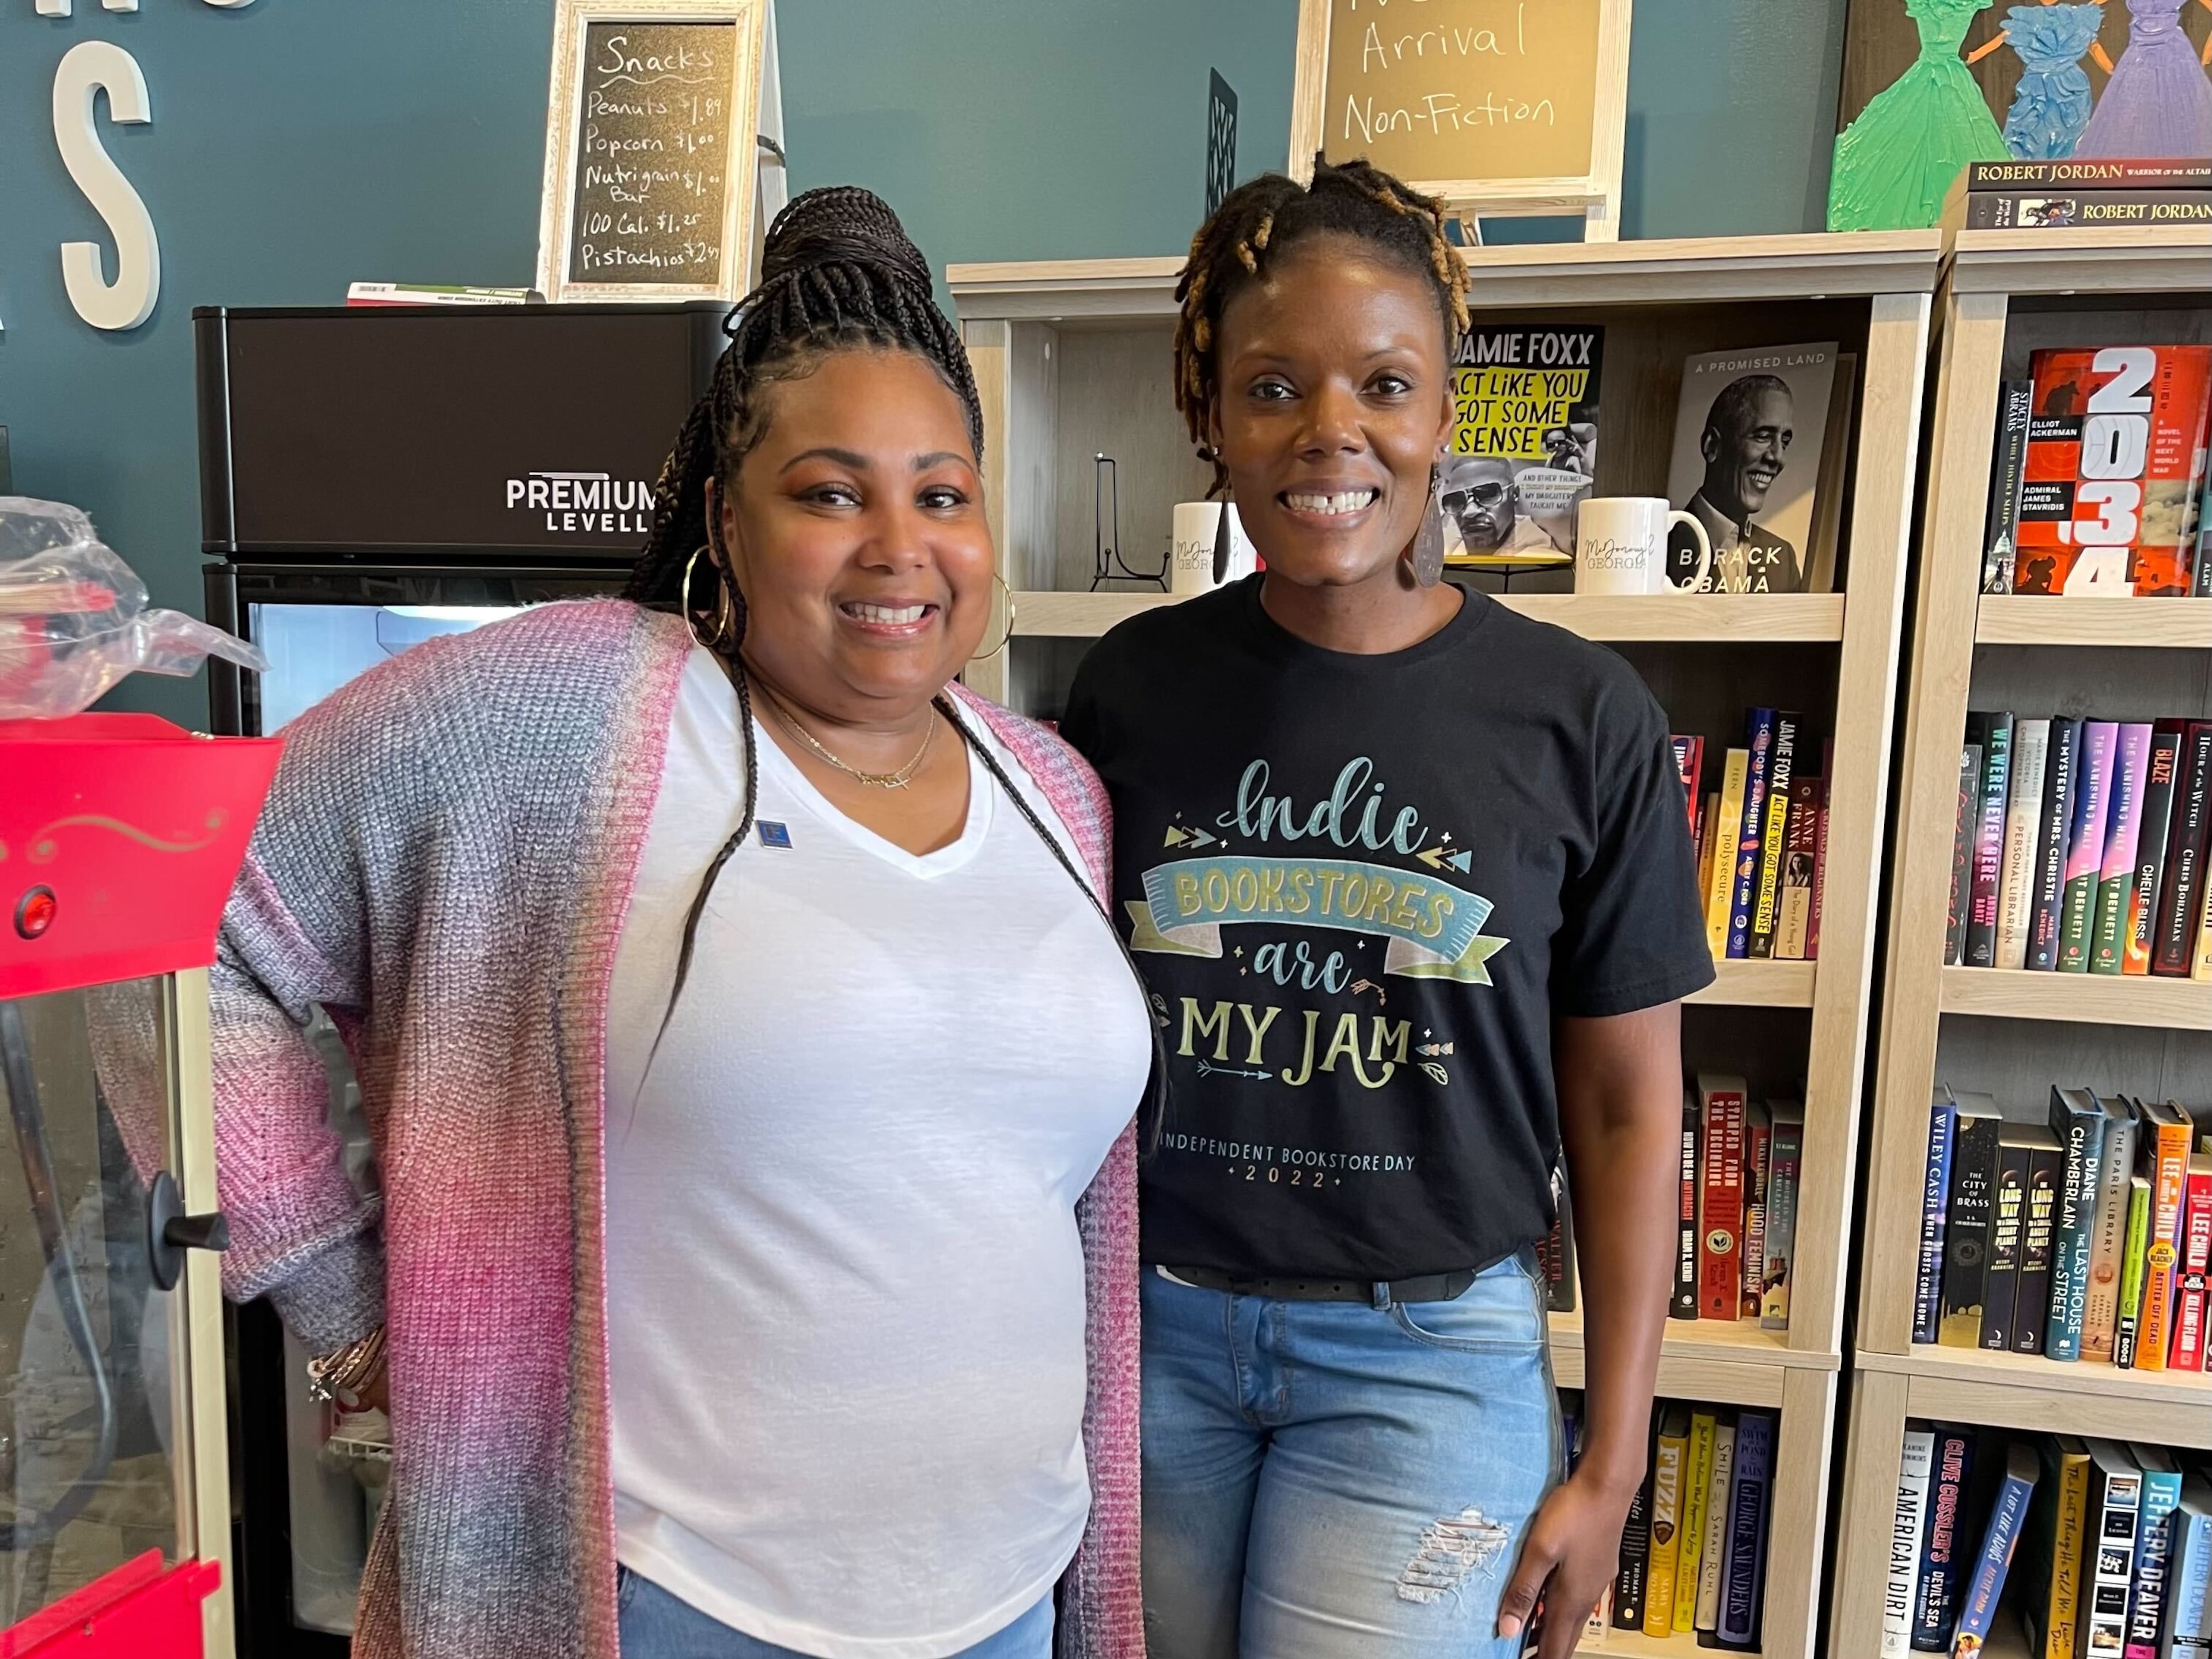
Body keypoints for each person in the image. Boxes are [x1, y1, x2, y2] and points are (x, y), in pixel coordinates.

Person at [210, 188, 1156, 1659]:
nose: (898, 545)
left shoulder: (1053, 791)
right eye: (831, 492)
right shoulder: (574, 711)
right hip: (672, 1604)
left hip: (1004, 1596)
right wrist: (339, 1294)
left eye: (942, 492)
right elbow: (198, 901)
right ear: (727, 513)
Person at [1060, 159, 1714, 1659]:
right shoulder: (1128, 688)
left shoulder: (1581, 716)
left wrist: (1616, 1459)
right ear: (1207, 416)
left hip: (1429, 1360)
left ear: (1441, 414)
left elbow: (1625, 1113)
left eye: (1384, 383)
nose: (1330, 432)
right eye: (1273, 386)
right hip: (1152, 1336)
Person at [1684, 373, 1804, 593]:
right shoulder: (1661, 546)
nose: (1778, 458)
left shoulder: (1782, 558)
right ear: (1713, 446)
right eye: (1763, 437)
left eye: (1784, 442)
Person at [1440, 452, 1517, 554]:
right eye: (1456, 501)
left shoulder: (1537, 550)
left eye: (1487, 495)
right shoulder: (1451, 552)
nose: (1469, 512)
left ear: (1515, 494)